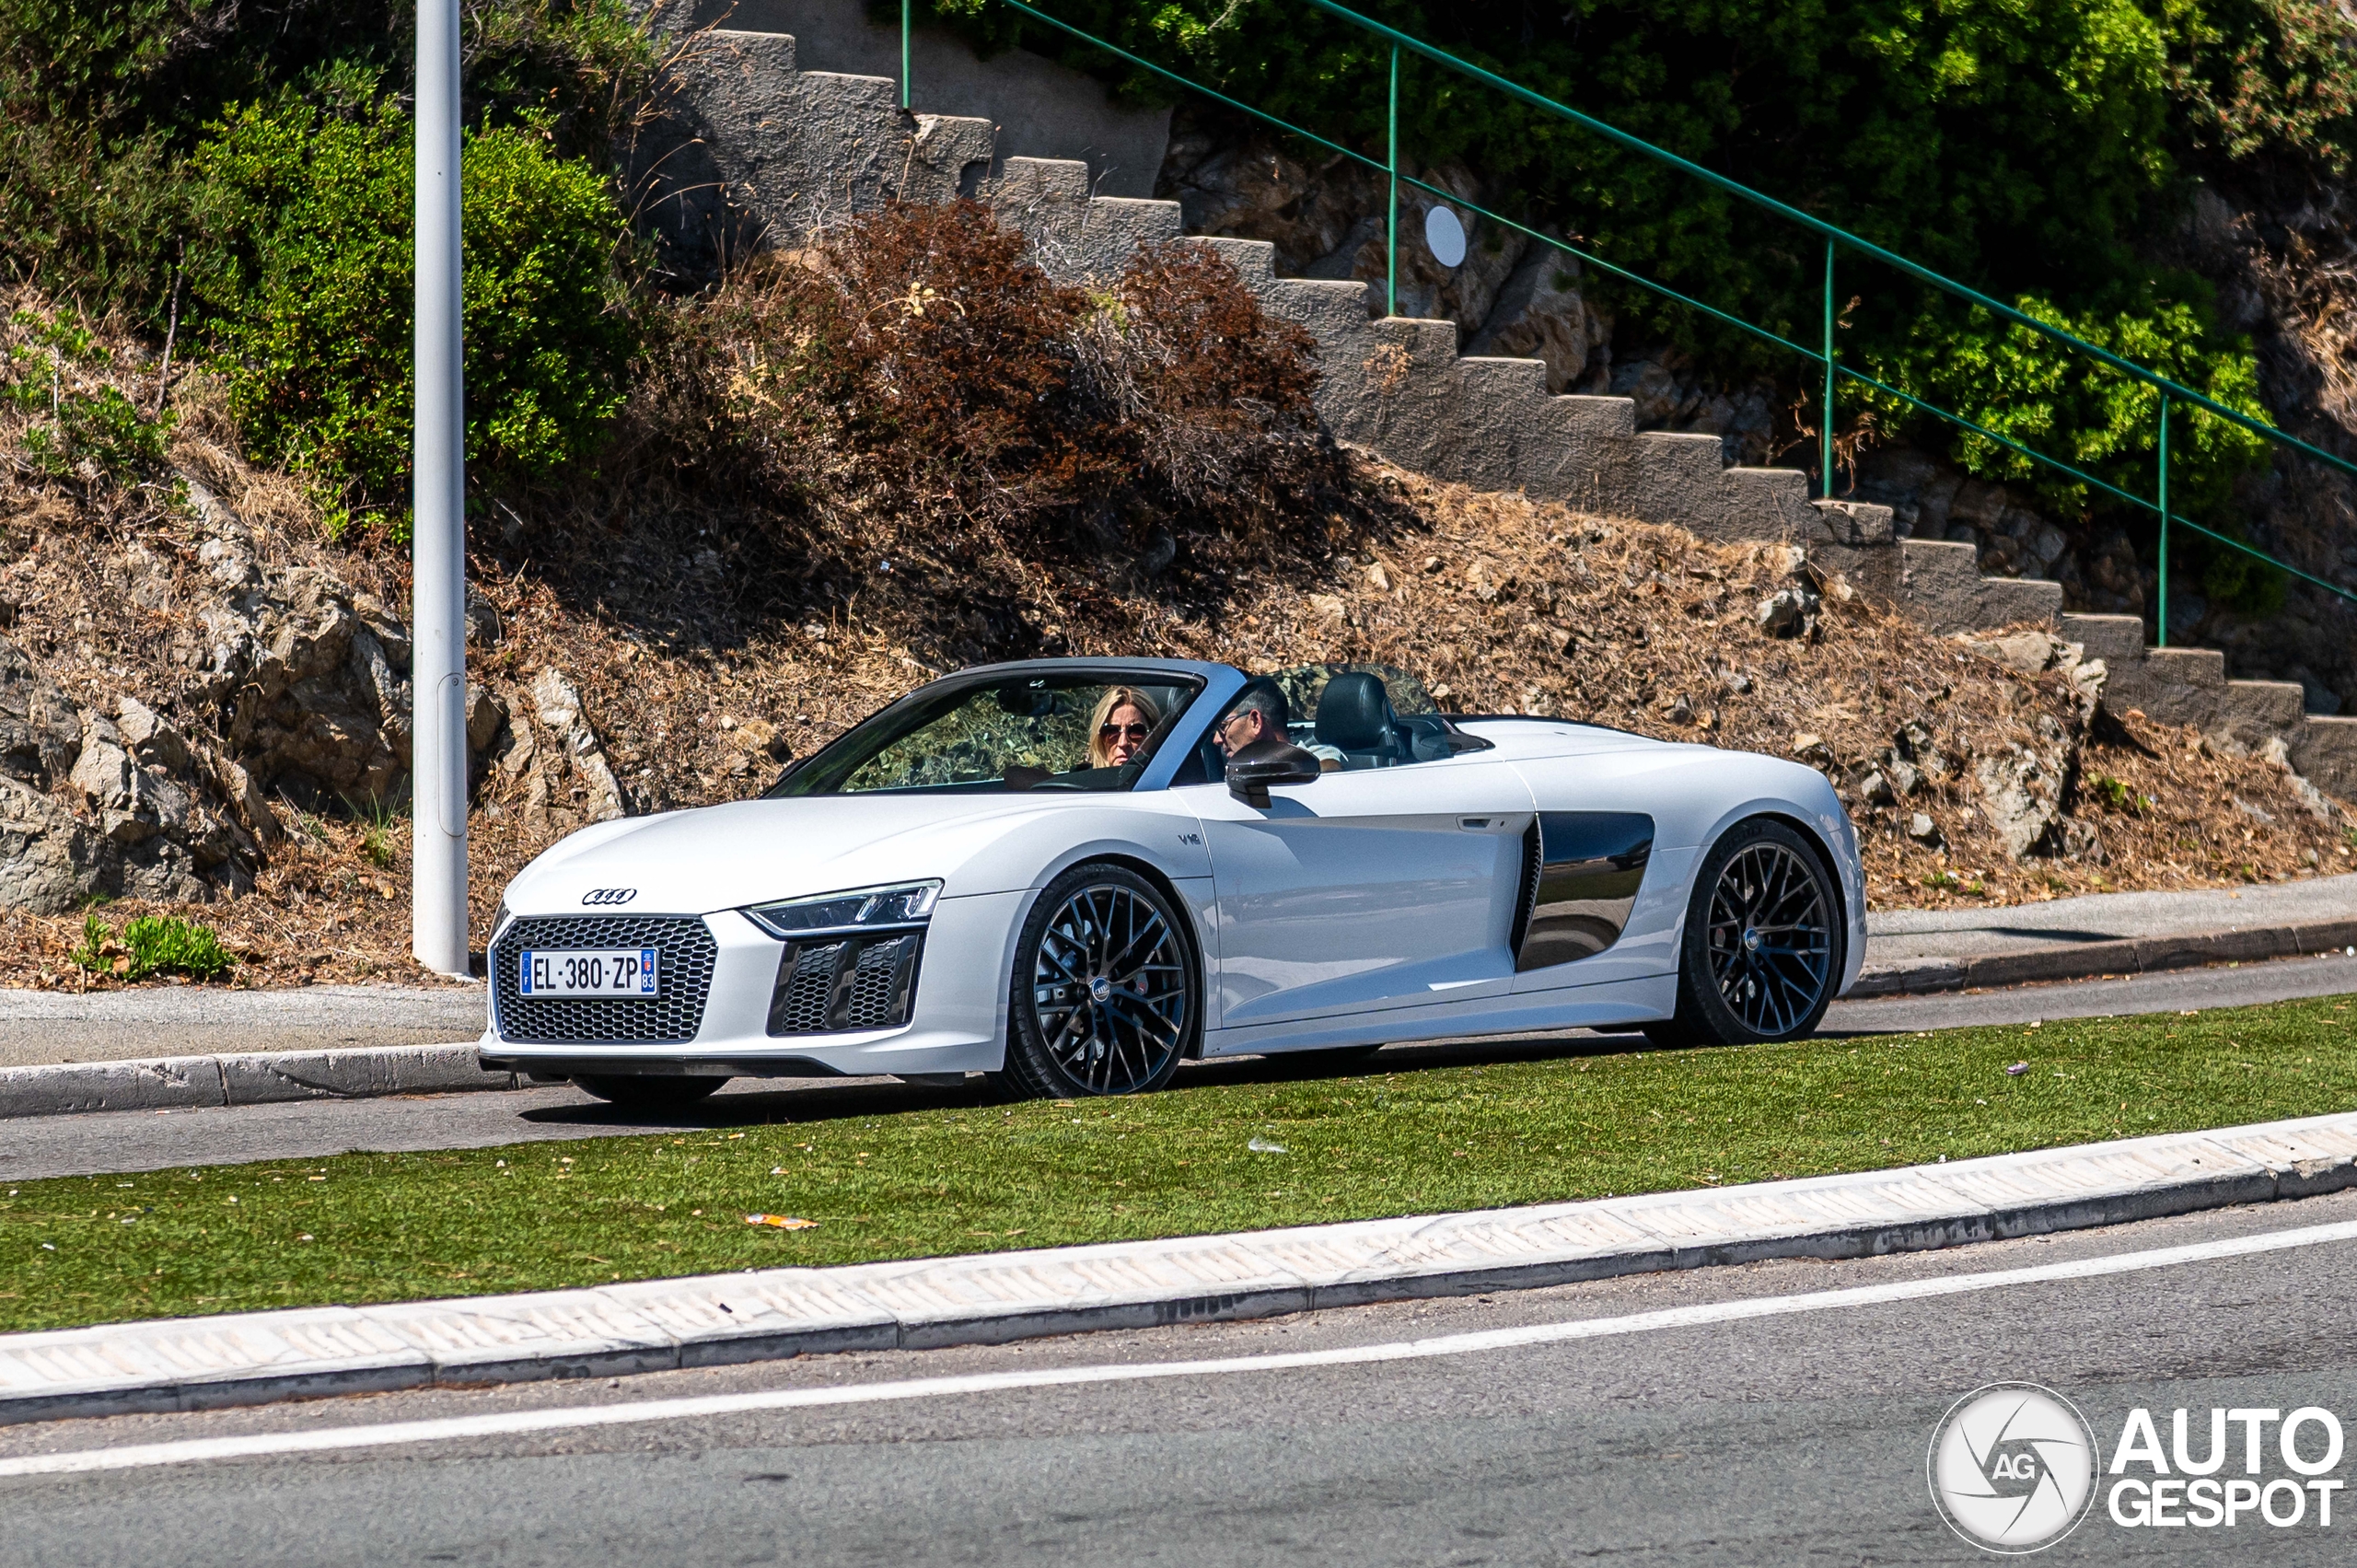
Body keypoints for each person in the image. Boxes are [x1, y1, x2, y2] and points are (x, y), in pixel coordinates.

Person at [1215, 680, 1341, 769]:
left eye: (1222, 726)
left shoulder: (1316, 757)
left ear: (1255, 722)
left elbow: (1329, 767)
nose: (1216, 740)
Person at [1087, 686, 1163, 768]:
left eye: (1136, 732)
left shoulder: (1171, 778)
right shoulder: (1079, 779)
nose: (1122, 743)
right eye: (1111, 732)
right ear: (1099, 739)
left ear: (1154, 736)